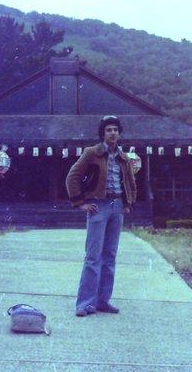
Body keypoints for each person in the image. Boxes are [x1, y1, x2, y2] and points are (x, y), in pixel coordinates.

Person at [65, 115, 137, 317]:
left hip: (117, 207)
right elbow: (73, 176)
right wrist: (80, 203)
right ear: (103, 134)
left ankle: (103, 301)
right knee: (93, 256)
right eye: (108, 130)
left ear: (119, 133)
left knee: (110, 256)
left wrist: (129, 203)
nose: (112, 133)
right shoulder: (92, 153)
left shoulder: (124, 157)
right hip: (98, 206)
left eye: (115, 129)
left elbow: (131, 181)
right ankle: (85, 303)